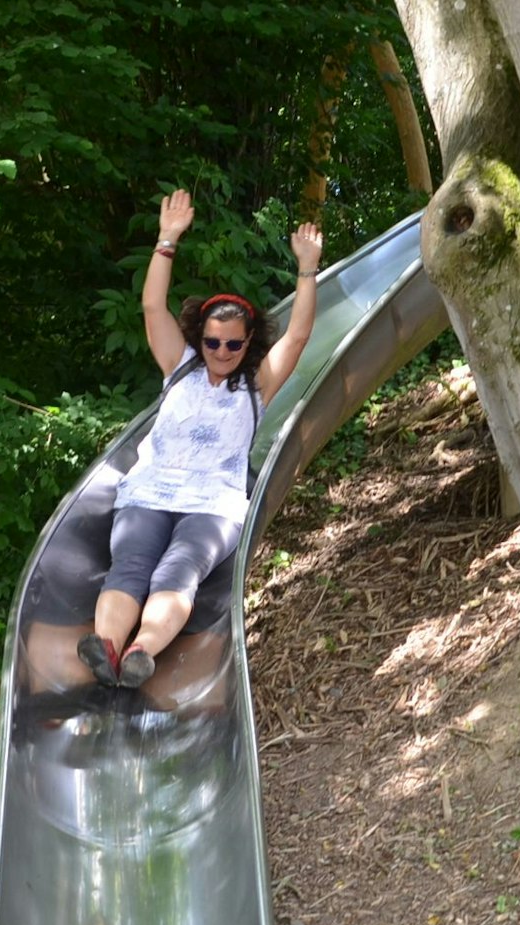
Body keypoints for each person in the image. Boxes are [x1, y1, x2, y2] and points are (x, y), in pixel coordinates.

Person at [77, 188, 324, 689]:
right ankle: (106, 644)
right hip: (151, 489)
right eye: (212, 341)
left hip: (212, 502)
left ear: (248, 343)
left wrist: (307, 270)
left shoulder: (256, 385)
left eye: (234, 343)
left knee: (179, 569)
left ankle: (141, 651)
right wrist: (167, 239)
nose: (222, 350)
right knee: (130, 564)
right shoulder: (179, 366)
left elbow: (297, 337)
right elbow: (151, 307)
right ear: (199, 338)